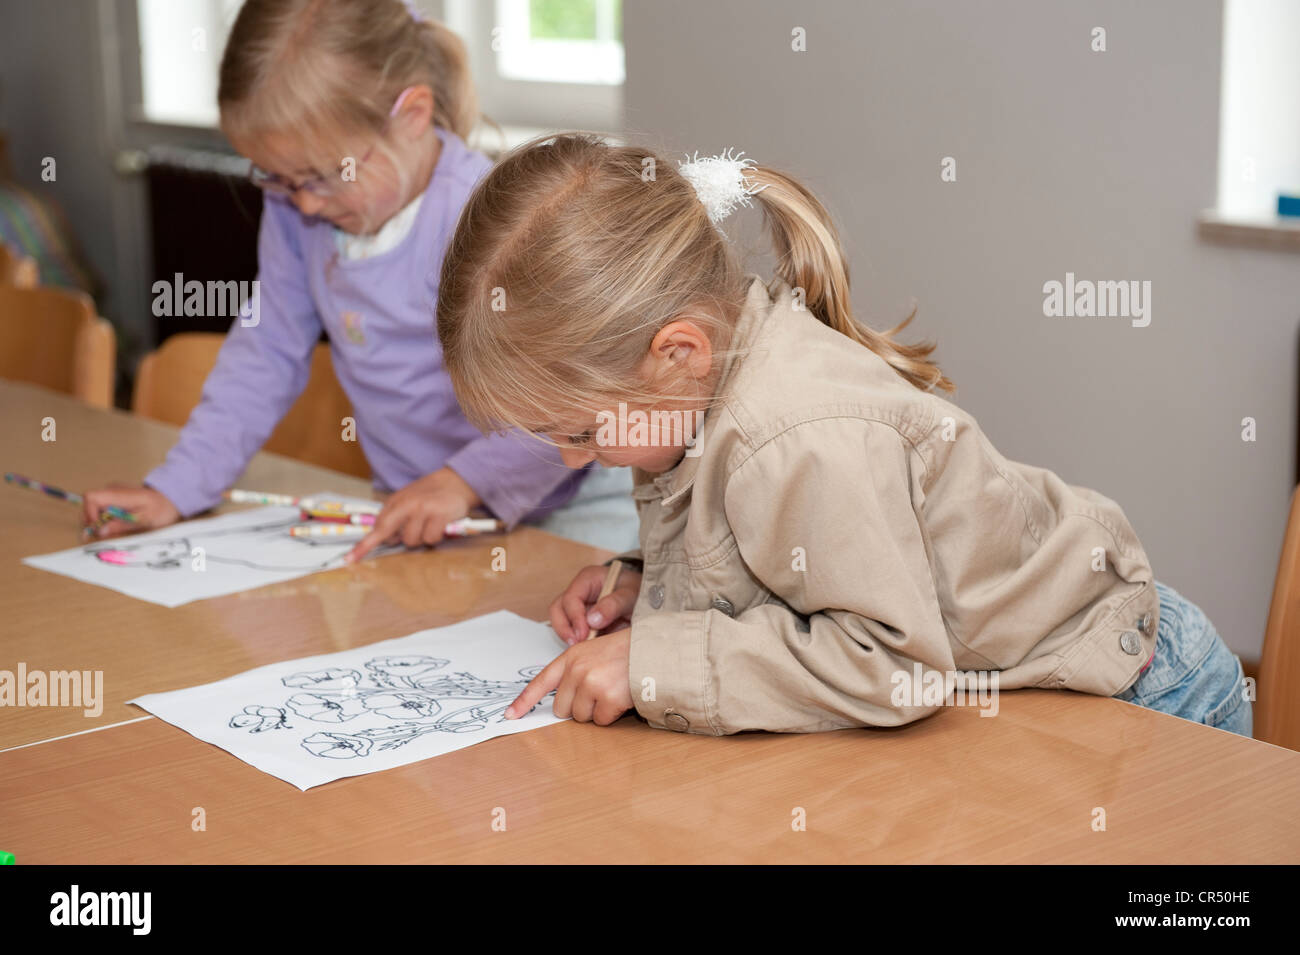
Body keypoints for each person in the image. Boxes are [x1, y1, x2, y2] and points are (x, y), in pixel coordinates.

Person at [430, 133, 1250, 739]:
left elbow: (893, 667)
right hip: (1017, 690)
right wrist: (644, 586)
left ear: (677, 351)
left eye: (580, 429)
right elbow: (774, 561)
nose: (577, 458)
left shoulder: (797, 434)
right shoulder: (696, 387)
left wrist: (654, 664)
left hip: (1137, 686)